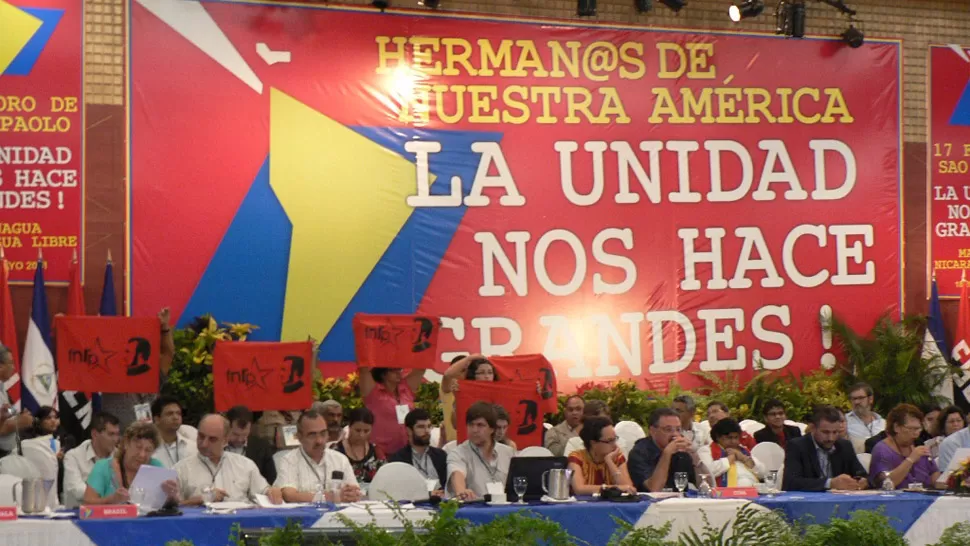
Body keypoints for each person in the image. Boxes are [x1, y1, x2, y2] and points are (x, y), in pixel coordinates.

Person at [175, 414, 283, 505]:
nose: (204, 444)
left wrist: (272, 492)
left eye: (212, 439)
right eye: (201, 436)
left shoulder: (245, 465)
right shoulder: (181, 469)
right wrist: (198, 500)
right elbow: (171, 509)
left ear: (225, 440)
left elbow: (264, 492)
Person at [99, 308, 175, 428]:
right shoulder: (110, 373)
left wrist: (165, 327)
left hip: (145, 440)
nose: (124, 353)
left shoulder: (152, 375)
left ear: (140, 356)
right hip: (115, 442)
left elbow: (168, 354)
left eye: (128, 351)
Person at [274, 410, 361, 503]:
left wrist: (351, 495)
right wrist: (329, 497)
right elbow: (289, 495)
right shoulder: (289, 460)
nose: (319, 441)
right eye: (312, 435)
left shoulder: (340, 459)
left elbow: (355, 491)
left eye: (323, 433)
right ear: (299, 437)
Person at [83, 421, 178, 505]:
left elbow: (173, 503)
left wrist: (171, 496)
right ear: (126, 444)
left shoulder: (156, 466)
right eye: (138, 447)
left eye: (148, 450)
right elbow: (87, 503)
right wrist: (110, 500)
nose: (142, 455)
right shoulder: (103, 467)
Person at [781, 405, 868, 492]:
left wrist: (863, 481)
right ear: (813, 428)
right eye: (825, 432)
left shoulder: (844, 446)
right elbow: (790, 483)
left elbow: (861, 474)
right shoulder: (797, 446)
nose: (831, 438)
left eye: (835, 432)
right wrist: (830, 483)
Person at [447, 401, 514, 500]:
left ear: (492, 429)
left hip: (506, 509)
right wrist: (461, 491)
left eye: (480, 425)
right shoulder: (458, 453)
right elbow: (457, 473)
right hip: (474, 510)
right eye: (471, 425)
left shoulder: (508, 453)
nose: (474, 430)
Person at [628, 408, 703, 492]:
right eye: (668, 430)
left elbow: (706, 485)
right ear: (653, 431)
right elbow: (654, 489)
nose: (675, 434)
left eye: (678, 429)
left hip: (679, 502)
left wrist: (694, 455)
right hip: (650, 503)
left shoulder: (682, 453)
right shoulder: (639, 453)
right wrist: (667, 454)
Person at [868, 404, 940, 489]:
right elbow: (886, 484)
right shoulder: (882, 450)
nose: (916, 433)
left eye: (918, 429)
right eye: (911, 429)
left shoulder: (919, 446)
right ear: (896, 427)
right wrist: (910, 460)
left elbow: (934, 477)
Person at [359, 365, 425, 455]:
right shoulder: (373, 392)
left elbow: (421, 368)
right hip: (381, 452)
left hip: (408, 451)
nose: (399, 372)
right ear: (383, 374)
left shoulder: (406, 388)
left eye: (399, 369)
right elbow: (364, 370)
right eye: (394, 370)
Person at [64, 412, 121, 508]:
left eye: (117, 434)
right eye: (111, 434)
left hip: (113, 514)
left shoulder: (119, 457)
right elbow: (77, 490)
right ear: (94, 434)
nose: (116, 439)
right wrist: (111, 496)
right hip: (79, 515)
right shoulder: (73, 456)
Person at [567, 416, 636, 494]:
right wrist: (616, 488)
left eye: (615, 439)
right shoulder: (577, 457)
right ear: (593, 443)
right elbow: (579, 489)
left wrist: (610, 462)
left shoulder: (616, 457)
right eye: (609, 441)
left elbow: (629, 488)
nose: (614, 444)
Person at [389, 408, 448, 495]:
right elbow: (398, 491)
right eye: (421, 427)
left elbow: (449, 485)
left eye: (429, 426)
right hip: (413, 505)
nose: (427, 431)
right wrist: (427, 494)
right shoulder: (398, 460)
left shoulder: (441, 456)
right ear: (409, 431)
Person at [439, 354, 492, 443]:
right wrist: (470, 358)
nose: (464, 374)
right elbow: (448, 375)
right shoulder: (448, 387)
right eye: (462, 370)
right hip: (454, 443)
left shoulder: (481, 391)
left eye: (467, 370)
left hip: (479, 443)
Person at [700, 418, 766, 487]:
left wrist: (744, 458)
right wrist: (729, 459)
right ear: (717, 437)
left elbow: (763, 473)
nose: (733, 441)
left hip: (753, 490)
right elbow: (706, 473)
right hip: (724, 493)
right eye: (729, 438)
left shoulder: (743, 450)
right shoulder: (706, 450)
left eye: (736, 437)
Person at [225, 406, 277, 484]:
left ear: (250, 428)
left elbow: (271, 479)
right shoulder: (217, 444)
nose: (240, 439)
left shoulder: (261, 446)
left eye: (244, 435)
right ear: (227, 427)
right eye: (235, 434)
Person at [334, 408, 386, 483]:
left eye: (366, 431)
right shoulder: (336, 451)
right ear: (349, 426)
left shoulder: (376, 451)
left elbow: (386, 477)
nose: (361, 435)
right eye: (357, 430)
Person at [0, 343, 34, 457]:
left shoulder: (2, 389)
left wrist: (18, 417)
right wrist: (20, 421)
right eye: (11, 363)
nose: (14, 367)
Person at [151, 396, 197, 468]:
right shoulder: (148, 450)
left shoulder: (193, 447)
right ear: (157, 419)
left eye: (178, 413)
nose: (175, 417)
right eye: (170, 414)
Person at [845, 383, 885, 452]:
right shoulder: (845, 421)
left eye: (860, 398)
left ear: (870, 399)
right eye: (853, 399)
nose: (856, 402)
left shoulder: (883, 423)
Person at [936, 405, 970, 472]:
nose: (956, 424)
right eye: (951, 422)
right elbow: (950, 475)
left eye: (959, 420)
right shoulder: (949, 442)